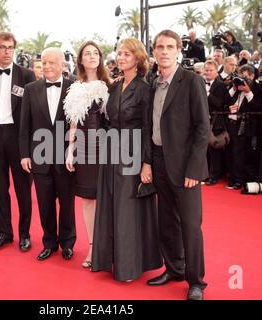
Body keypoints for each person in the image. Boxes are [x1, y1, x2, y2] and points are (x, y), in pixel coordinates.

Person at [91, 38, 162, 282]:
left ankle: (129, 266)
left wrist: (146, 163)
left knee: (127, 210)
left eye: (127, 54)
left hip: (132, 153)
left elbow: (147, 127)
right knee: (111, 206)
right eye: (119, 54)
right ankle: (111, 259)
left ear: (138, 59)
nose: (121, 58)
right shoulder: (115, 85)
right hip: (111, 152)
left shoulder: (144, 88)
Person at [145, 30, 209, 300]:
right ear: (154, 51)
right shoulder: (152, 83)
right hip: (159, 161)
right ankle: (173, 269)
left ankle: (196, 281)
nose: (164, 51)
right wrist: (147, 161)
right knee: (166, 221)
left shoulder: (191, 81)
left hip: (185, 167)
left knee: (191, 225)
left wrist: (194, 169)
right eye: (160, 46)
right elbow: (149, 126)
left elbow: (202, 129)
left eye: (170, 46)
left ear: (178, 51)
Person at [20, 47, 76, 261]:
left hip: (66, 157)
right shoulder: (30, 89)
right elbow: (24, 126)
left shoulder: (74, 89)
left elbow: (79, 125)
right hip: (39, 156)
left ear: (63, 65)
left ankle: (68, 243)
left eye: (52, 62)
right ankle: (49, 242)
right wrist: (25, 154)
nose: (47, 66)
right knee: (45, 203)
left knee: (67, 203)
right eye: (44, 62)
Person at [0, 32, 35, 251]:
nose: (7, 51)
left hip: (18, 137)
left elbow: (33, 112)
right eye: (2, 47)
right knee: (0, 190)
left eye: (10, 47)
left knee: (23, 189)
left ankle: (25, 234)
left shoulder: (27, 75)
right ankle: (4, 233)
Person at [64, 41, 111, 268]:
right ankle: (93, 247)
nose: (92, 56)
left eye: (95, 53)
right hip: (84, 147)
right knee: (89, 199)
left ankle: (110, 246)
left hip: (108, 147)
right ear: (80, 60)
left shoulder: (111, 86)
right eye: (87, 54)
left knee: (109, 198)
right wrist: (69, 150)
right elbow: (74, 121)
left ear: (100, 57)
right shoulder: (75, 87)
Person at [204, 60, 230, 186]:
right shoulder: (201, 83)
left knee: (214, 150)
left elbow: (219, 104)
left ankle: (214, 176)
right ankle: (205, 174)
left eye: (211, 70)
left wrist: (207, 93)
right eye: (206, 70)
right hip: (203, 120)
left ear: (216, 71)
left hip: (216, 122)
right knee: (204, 150)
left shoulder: (220, 85)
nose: (208, 72)